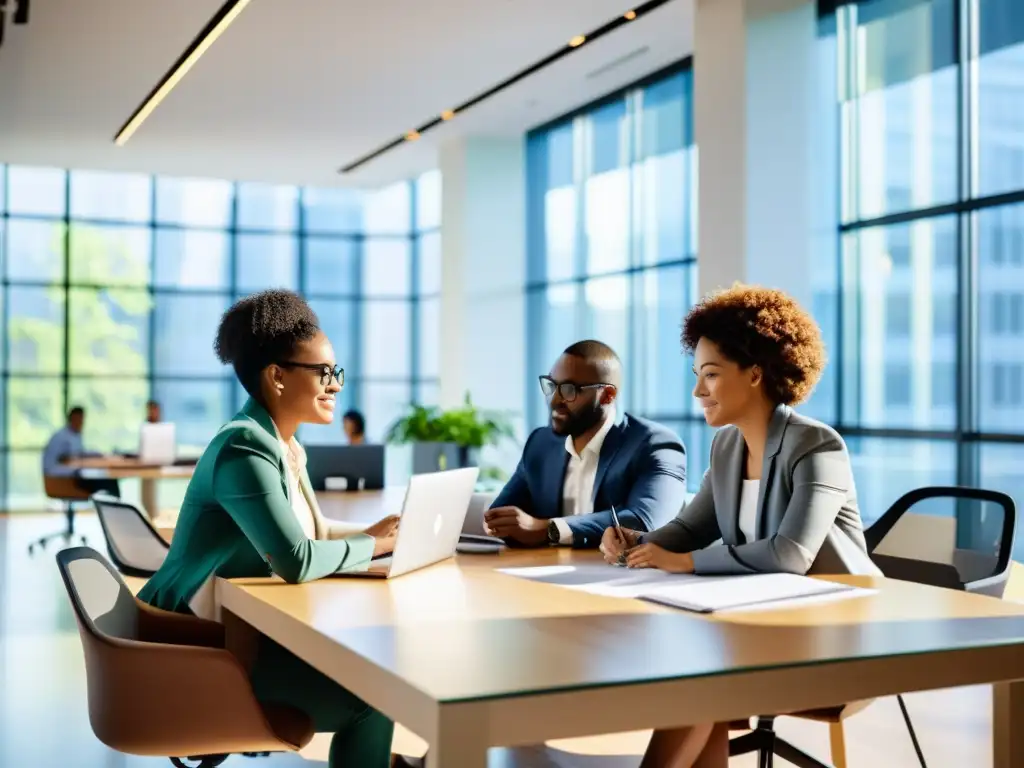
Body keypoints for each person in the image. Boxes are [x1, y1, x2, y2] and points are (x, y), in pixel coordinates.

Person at [600, 284, 880, 768]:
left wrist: (685, 563)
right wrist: (640, 542)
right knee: (695, 669)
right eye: (696, 375)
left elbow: (792, 554)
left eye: (710, 375)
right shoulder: (727, 447)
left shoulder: (817, 446)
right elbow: (691, 527)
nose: (697, 391)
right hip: (757, 622)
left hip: (832, 632)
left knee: (699, 674)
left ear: (755, 374)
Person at [137, 289, 405, 768]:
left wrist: (376, 534)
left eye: (336, 372)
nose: (336, 384)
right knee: (373, 696)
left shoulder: (281, 444)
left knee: (372, 673)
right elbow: (296, 559)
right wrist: (371, 545)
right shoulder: (245, 448)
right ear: (277, 377)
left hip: (230, 640)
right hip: (195, 655)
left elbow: (308, 533)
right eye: (325, 372)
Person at [484, 340, 687, 549]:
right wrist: (500, 522)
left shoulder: (655, 445)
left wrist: (549, 529)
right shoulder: (541, 444)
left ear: (608, 395)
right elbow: (503, 515)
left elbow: (644, 520)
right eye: (552, 386)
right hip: (547, 572)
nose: (554, 400)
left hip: (624, 575)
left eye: (569, 390)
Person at [42, 406, 120, 497]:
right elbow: (63, 460)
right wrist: (77, 466)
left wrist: (95, 454)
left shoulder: (74, 434)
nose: (82, 422)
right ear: (73, 418)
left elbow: (78, 453)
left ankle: (112, 507)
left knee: (108, 480)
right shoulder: (61, 437)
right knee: (108, 483)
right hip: (60, 478)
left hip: (71, 475)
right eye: (80, 419)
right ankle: (113, 508)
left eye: (83, 420)